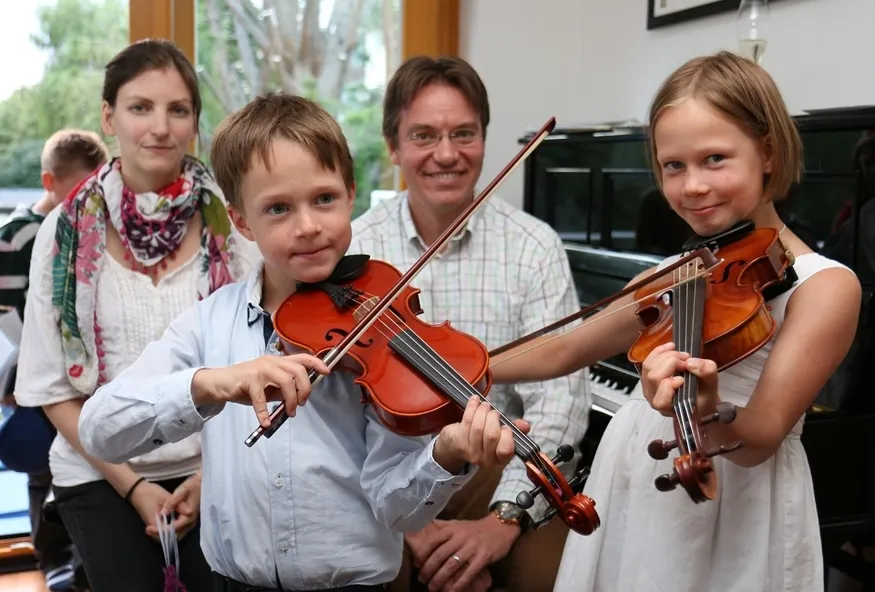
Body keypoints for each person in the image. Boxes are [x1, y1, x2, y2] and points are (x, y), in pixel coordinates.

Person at [77, 92, 530, 592]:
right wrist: (211, 384)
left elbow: (397, 510)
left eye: (324, 199)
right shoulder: (209, 323)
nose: (309, 226)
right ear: (242, 221)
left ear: (350, 194)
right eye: (278, 208)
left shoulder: (380, 326)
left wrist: (446, 454)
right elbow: (100, 431)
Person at [489, 51, 862, 591]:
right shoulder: (678, 272)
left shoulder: (824, 286)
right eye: (674, 166)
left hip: (738, 503)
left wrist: (708, 406)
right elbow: (566, 349)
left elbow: (761, 436)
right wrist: (463, 363)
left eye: (715, 159)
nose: (693, 186)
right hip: (637, 483)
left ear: (768, 153)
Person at [13, 39, 257, 592]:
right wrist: (135, 488)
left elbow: (256, 362)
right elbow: (53, 388)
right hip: (99, 471)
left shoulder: (233, 225)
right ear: (109, 117)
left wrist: (207, 476)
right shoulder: (62, 232)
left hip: (219, 464)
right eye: (140, 107)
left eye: (178, 109)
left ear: (194, 122)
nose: (160, 127)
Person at [347, 55, 589, 592]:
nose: (446, 154)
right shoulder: (357, 248)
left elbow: (561, 399)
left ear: (483, 137)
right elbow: (339, 414)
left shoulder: (534, 245)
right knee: (370, 572)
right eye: (424, 136)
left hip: (500, 466)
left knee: (551, 573)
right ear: (393, 147)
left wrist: (504, 519)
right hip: (389, 474)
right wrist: (411, 524)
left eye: (463, 133)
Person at [0, 128, 108, 591]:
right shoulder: (18, 235)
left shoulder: (91, 228)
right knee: (41, 465)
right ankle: (52, 557)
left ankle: (83, 561)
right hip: (36, 368)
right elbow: (8, 313)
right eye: (81, 187)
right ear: (50, 181)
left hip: (86, 371)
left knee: (83, 460)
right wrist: (40, 362)